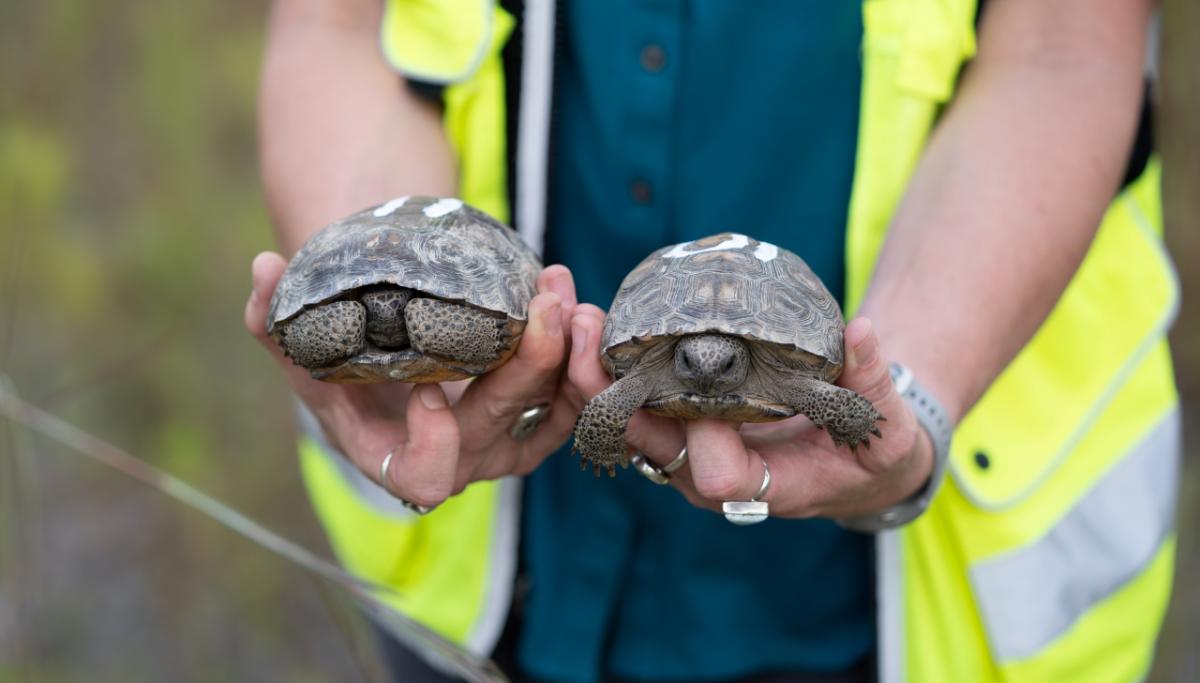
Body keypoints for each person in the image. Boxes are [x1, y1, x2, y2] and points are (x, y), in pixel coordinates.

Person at [244, 1, 1181, 681]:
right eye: (690, 354)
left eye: (712, 355)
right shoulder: (642, 365)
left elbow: (1067, 47)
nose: (701, 360)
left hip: (926, 616)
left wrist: (905, 394)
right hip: (482, 591)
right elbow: (335, 27)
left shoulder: (791, 380)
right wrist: (391, 327)